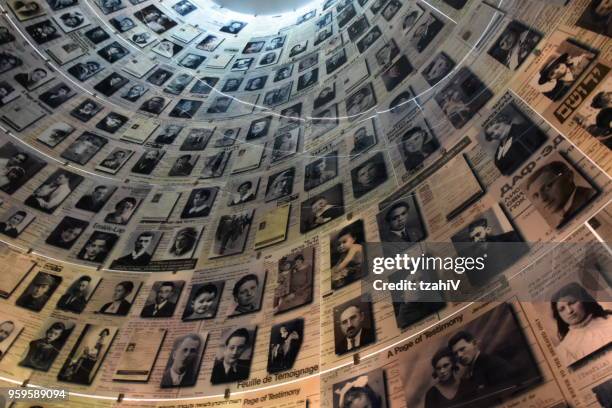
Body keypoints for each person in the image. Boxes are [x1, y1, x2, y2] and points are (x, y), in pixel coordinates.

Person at [551, 282, 612, 365]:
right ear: (559, 315)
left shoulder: (609, 320)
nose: (569, 311)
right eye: (562, 309)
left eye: (572, 303)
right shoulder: (565, 349)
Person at [448, 331, 514, 404]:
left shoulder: (491, 364)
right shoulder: (474, 369)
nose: (459, 355)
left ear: (474, 343)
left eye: (462, 349)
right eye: (455, 353)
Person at [525, 161, 598, 228]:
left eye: (548, 187)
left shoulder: (591, 196)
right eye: (536, 196)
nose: (543, 199)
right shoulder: (562, 223)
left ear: (569, 176)